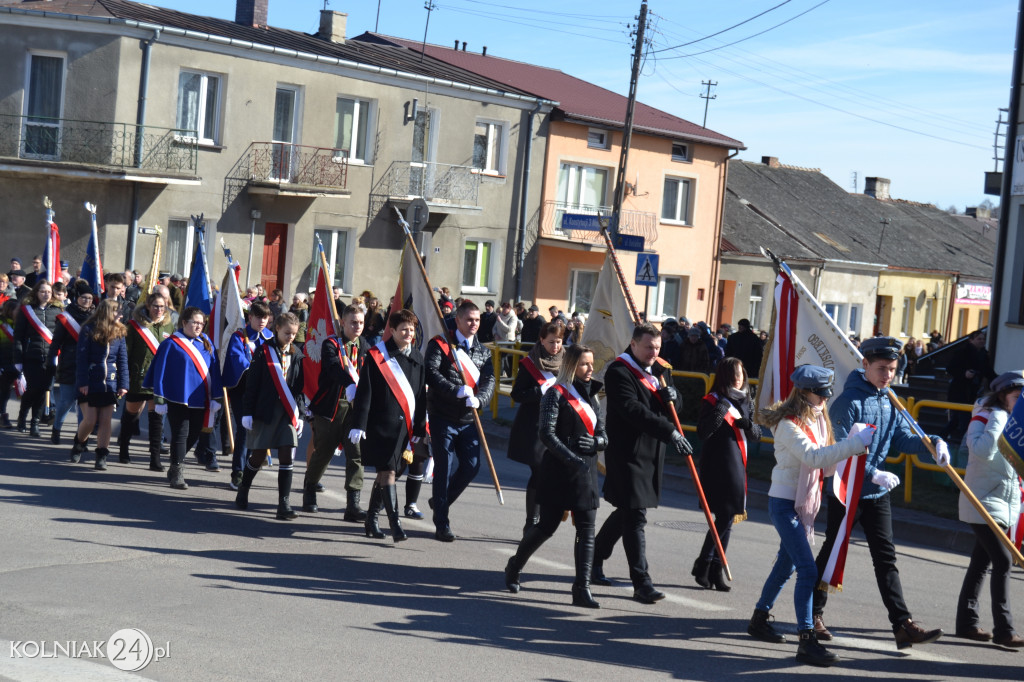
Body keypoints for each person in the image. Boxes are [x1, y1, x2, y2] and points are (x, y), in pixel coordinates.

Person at [812, 336, 947, 649]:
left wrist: (933, 443)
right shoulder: (849, 401)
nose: (888, 374)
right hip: (847, 490)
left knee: (886, 559)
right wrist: (873, 473)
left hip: (875, 494)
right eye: (882, 368)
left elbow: (901, 439)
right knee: (832, 552)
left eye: (893, 369)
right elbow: (840, 449)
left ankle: (902, 625)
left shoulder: (889, 399)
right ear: (865, 365)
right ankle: (813, 614)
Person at [747, 365, 876, 667]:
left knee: (786, 565)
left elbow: (827, 463)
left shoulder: (818, 418)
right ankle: (806, 640)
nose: (824, 399)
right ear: (803, 391)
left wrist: (863, 459)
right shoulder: (787, 423)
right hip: (784, 503)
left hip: (803, 502)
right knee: (807, 570)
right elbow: (814, 458)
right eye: (820, 394)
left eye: (825, 394)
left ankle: (759, 618)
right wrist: (855, 445)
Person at [591, 323, 693, 603]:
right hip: (628, 453)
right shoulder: (619, 371)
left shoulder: (660, 369)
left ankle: (593, 557)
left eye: (657, 347)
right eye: (648, 347)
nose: (653, 352)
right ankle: (642, 582)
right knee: (636, 516)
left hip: (652, 451)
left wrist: (674, 397)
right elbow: (631, 409)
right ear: (633, 344)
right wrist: (670, 431)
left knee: (628, 510)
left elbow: (673, 405)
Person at [504, 343, 607, 608]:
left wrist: (597, 444)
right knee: (546, 526)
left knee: (586, 530)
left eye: (591, 363)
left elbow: (603, 434)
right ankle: (515, 566)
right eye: (584, 364)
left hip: (585, 472)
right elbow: (546, 434)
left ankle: (581, 588)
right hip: (558, 469)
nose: (590, 369)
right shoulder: (555, 394)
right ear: (571, 366)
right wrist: (571, 456)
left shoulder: (593, 395)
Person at [954, 371, 1024, 647]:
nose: (1019, 404)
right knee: (1003, 561)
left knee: (980, 563)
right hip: (982, 500)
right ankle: (1004, 631)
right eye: (1016, 398)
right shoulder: (985, 416)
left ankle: (966, 624)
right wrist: (999, 419)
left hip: (1005, 503)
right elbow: (982, 451)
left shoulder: (1018, 421)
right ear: (1002, 396)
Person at [348, 309, 428, 541]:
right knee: (389, 471)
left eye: (412, 330)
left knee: (389, 473)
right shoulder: (377, 356)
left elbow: (420, 396)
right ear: (391, 330)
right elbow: (366, 392)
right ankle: (395, 523)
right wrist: (358, 424)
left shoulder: (417, 358)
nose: (408, 333)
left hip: (405, 428)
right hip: (380, 425)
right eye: (403, 329)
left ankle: (372, 520)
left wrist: (420, 428)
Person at [425, 300, 495, 542]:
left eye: (477, 320)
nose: (474, 324)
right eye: (469, 319)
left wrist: (481, 400)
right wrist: (455, 390)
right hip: (442, 414)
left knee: (471, 466)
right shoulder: (441, 344)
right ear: (458, 320)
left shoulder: (484, 351)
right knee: (443, 468)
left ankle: (439, 501)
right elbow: (431, 373)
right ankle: (442, 523)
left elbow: (489, 381)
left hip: (468, 418)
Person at [692, 357, 761, 591]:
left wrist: (749, 427)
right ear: (724, 376)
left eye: (741, 373)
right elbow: (702, 432)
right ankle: (708, 565)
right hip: (717, 463)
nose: (739, 378)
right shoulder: (713, 400)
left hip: (737, 462)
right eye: (734, 374)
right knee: (725, 517)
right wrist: (719, 412)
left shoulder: (746, 400)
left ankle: (709, 566)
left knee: (727, 518)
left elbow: (756, 434)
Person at [235, 313, 305, 520]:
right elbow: (252, 384)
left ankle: (283, 504)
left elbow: (298, 388)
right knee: (257, 456)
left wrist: (299, 412)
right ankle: (244, 488)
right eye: (287, 333)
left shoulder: (297, 354)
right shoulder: (264, 351)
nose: (290, 337)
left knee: (286, 453)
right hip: (264, 411)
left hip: (286, 412)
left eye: (294, 334)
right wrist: (247, 412)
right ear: (277, 329)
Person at [143, 307, 222, 490]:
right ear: (184, 322)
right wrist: (159, 399)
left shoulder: (206, 342)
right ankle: (178, 471)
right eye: (194, 322)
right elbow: (160, 371)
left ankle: (174, 463)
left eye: (201, 323)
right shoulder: (171, 344)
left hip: (200, 398)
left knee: (194, 434)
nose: (198, 326)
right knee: (181, 433)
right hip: (177, 397)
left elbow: (214, 371)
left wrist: (216, 396)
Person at [304, 304, 369, 519]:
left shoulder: (366, 346)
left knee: (355, 455)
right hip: (332, 405)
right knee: (324, 452)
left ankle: (353, 505)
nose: (357, 326)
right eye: (353, 322)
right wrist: (349, 383)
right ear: (342, 322)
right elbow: (332, 367)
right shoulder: (331, 344)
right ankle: (310, 489)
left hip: (355, 409)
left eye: (360, 322)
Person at [508, 321, 565, 534]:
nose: (555, 347)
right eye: (551, 342)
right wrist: (539, 392)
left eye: (559, 342)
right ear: (541, 340)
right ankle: (532, 521)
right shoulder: (530, 363)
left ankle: (542, 518)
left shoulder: (567, 363)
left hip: (559, 426)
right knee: (539, 471)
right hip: (535, 427)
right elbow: (517, 394)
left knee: (549, 475)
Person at [119, 292, 175, 469]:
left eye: (162, 306)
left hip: (159, 381)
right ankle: (123, 449)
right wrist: (125, 378)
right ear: (148, 306)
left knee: (157, 419)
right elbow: (125, 354)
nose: (159, 310)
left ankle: (155, 458)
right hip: (138, 379)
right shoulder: (134, 326)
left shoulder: (169, 327)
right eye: (156, 306)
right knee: (131, 416)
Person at [71, 300, 129, 470]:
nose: (121, 315)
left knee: (105, 420)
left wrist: (123, 383)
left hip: (109, 384)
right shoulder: (88, 329)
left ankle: (102, 455)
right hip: (89, 381)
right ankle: (79, 444)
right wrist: (82, 382)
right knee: (90, 420)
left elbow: (122, 360)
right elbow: (81, 358)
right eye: (117, 312)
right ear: (107, 312)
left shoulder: (120, 332)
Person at [222, 301, 273, 490]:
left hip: (261, 392)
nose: (262, 321)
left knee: (256, 431)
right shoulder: (239, 337)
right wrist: (255, 369)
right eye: (258, 317)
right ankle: (238, 473)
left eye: (265, 318)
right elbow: (237, 360)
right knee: (244, 431)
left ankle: (249, 469)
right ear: (250, 317)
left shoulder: (269, 337)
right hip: (242, 390)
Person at [47, 281, 94, 446]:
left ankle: (81, 439)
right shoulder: (66, 316)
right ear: (76, 298)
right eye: (84, 298)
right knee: (66, 401)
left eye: (90, 298)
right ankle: (57, 428)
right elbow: (56, 342)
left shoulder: (95, 317)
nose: (87, 301)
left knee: (84, 404)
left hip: (88, 366)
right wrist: (51, 360)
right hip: (69, 362)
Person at [13, 280, 59, 436]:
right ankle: (22, 417)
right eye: (42, 291)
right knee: (32, 390)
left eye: (48, 291)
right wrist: (18, 359)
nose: (46, 294)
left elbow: (60, 336)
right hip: (31, 356)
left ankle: (35, 423)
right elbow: (18, 336)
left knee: (43, 391)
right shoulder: (27, 311)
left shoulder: (57, 311)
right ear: (36, 293)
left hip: (50, 358)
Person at [941, 330, 996, 441]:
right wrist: (964, 374)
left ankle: (940, 437)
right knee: (964, 420)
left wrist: (998, 381)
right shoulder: (962, 352)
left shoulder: (983, 355)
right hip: (959, 391)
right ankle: (964, 444)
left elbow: (988, 372)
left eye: (983, 339)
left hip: (972, 392)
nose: (982, 341)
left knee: (956, 420)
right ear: (971, 340)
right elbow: (950, 368)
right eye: (979, 339)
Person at [0, 299, 20, 429]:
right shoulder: (1, 325)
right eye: (17, 310)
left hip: (14, 363)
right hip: (2, 363)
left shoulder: (20, 324)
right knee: (3, 390)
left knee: (6, 391)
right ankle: (3, 415)